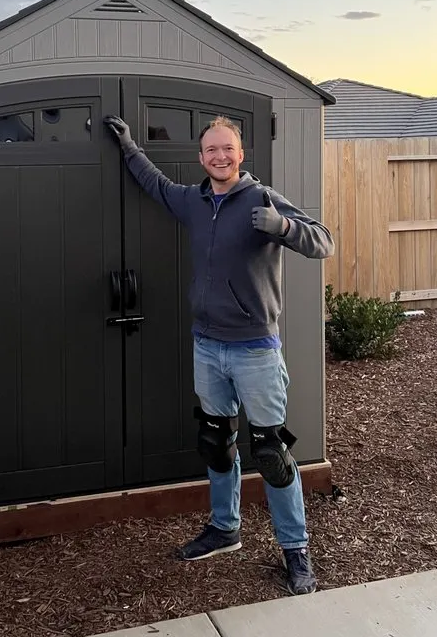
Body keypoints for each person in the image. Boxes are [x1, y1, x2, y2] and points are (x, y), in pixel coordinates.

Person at [103, 112, 334, 595]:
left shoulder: (262, 198)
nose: (220, 156)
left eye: (227, 148)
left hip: (255, 348)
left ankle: (296, 551)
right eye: (211, 150)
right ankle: (225, 529)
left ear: (241, 153)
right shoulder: (194, 200)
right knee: (216, 441)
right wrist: (128, 148)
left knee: (271, 453)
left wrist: (283, 226)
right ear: (202, 157)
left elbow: (323, 242)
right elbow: (157, 184)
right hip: (207, 346)